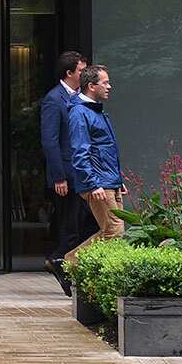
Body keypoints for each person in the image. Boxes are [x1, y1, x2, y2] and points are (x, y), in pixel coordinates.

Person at [40, 51, 96, 295]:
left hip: (83, 173)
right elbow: (50, 141)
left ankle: (63, 262)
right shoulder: (54, 99)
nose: (85, 74)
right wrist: (58, 176)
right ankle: (61, 263)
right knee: (70, 224)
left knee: (88, 223)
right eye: (82, 70)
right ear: (70, 73)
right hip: (67, 175)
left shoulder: (80, 98)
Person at [63, 65, 127, 265]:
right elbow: (80, 152)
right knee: (115, 231)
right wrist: (92, 183)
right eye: (105, 83)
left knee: (113, 230)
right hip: (98, 182)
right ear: (91, 86)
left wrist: (118, 179)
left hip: (109, 181)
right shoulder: (80, 113)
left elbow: (104, 150)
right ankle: (70, 263)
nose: (110, 86)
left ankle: (71, 264)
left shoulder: (95, 111)